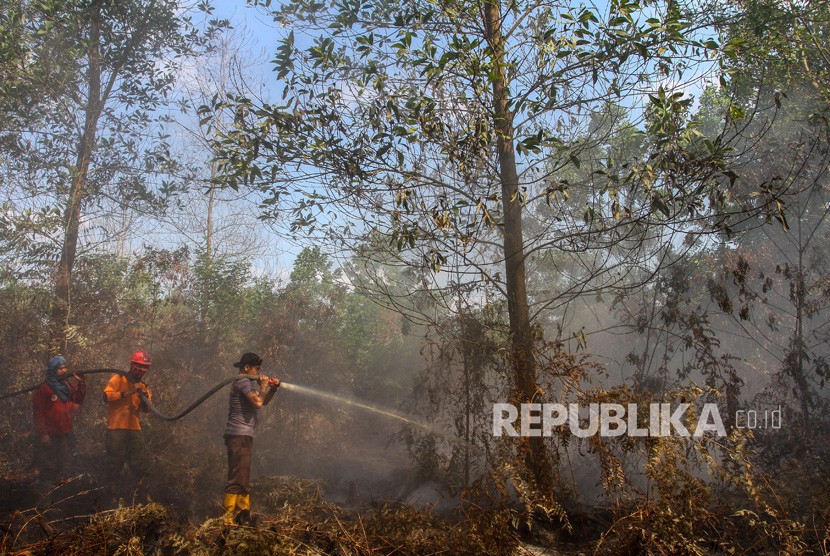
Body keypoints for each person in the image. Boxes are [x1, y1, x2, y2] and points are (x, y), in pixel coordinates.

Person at [222, 352, 280, 526]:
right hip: (239, 435)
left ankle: (242, 515)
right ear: (246, 367)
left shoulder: (246, 383)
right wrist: (263, 385)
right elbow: (258, 403)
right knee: (237, 478)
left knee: (243, 477)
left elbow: (263, 402)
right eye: (257, 369)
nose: (258, 372)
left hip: (243, 436)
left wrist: (273, 389)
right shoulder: (242, 381)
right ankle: (228, 519)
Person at [102, 350, 152, 501]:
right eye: (140, 366)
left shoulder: (144, 386)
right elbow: (106, 396)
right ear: (132, 365)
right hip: (116, 428)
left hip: (134, 428)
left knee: (140, 463)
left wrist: (143, 397)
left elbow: (148, 409)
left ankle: (143, 496)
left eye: (145, 367)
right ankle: (112, 497)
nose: (142, 370)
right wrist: (128, 392)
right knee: (115, 463)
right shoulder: (119, 378)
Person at [32, 355, 86, 483]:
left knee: (63, 461)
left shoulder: (66, 385)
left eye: (65, 367)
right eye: (60, 368)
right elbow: (38, 413)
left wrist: (81, 383)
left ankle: (58, 492)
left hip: (65, 431)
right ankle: (45, 494)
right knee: (49, 464)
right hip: (51, 434)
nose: (64, 371)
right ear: (52, 370)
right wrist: (44, 434)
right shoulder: (44, 389)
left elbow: (78, 399)